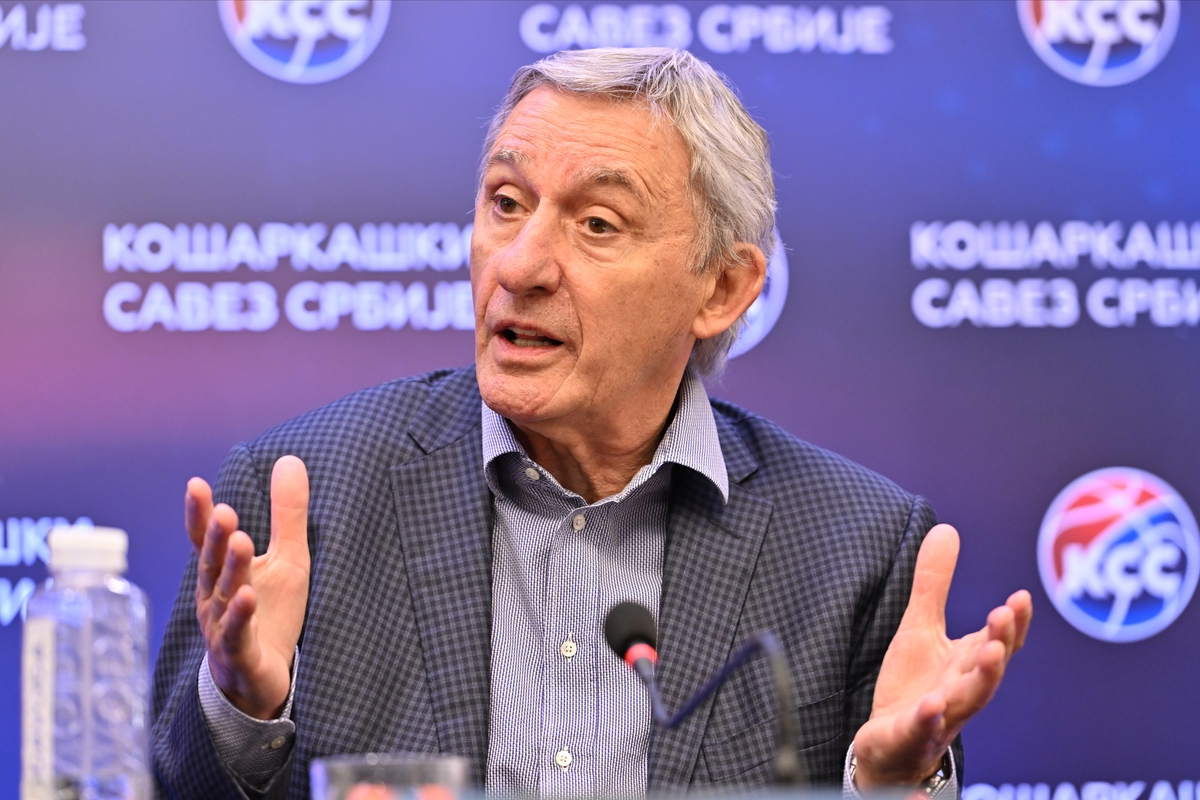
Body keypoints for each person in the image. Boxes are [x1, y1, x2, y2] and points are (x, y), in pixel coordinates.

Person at [151, 48, 1031, 800]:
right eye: (505, 202)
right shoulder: (305, 501)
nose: (523, 263)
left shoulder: (853, 552)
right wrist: (240, 718)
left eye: (597, 223)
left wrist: (882, 789)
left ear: (723, 288)